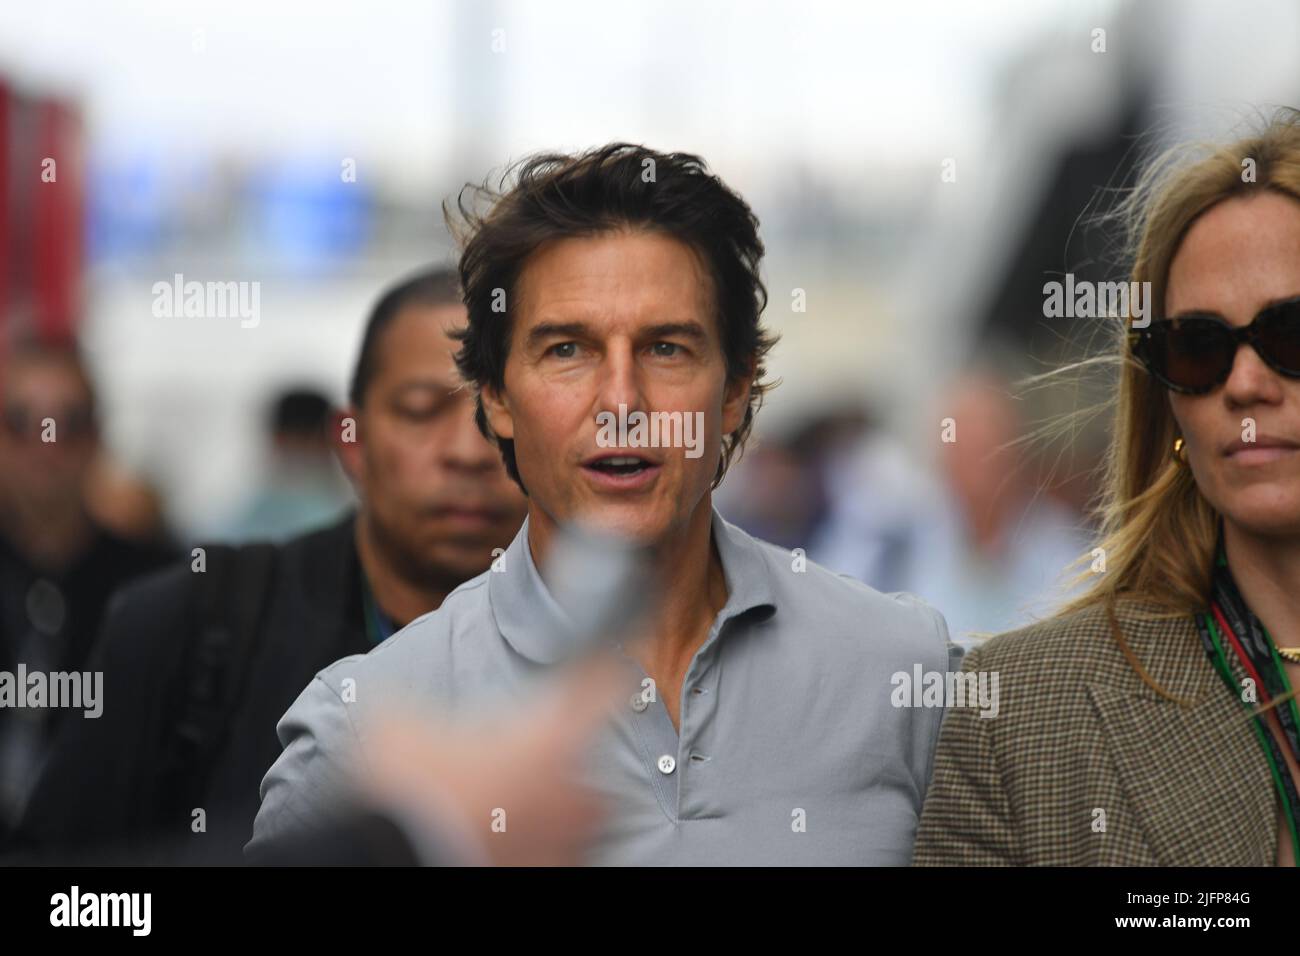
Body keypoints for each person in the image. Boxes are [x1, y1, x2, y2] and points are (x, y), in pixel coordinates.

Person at [250, 144, 955, 865]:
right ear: (496, 397)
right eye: (567, 350)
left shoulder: (906, 674)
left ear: (736, 389)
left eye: (667, 349)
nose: (621, 402)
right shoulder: (363, 732)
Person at [7, 267, 527, 862]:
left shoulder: (608, 660)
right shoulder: (192, 622)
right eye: (419, 409)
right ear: (351, 441)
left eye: (493, 412)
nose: (466, 452)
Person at [914, 108, 1300, 866]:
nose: (1247, 383)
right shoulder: (1020, 709)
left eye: (1292, 334)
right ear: (1165, 399)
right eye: (1198, 347)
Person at [0, 339, 175, 832]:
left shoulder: (155, 585)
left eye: (68, 423)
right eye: (22, 422)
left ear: (98, 436)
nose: (46, 444)